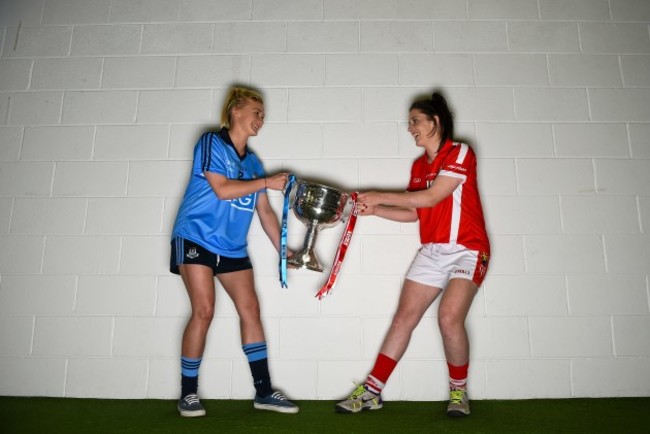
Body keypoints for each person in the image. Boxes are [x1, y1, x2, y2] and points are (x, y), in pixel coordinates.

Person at [335, 92, 490, 417]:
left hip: (468, 249)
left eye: (415, 121)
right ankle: (372, 391)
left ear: (435, 121)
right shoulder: (419, 165)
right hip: (433, 251)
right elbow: (415, 212)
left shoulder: (459, 152)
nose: (410, 128)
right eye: (410, 123)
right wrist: (375, 210)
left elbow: (432, 197)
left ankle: (459, 393)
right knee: (403, 318)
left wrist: (377, 194)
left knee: (449, 317)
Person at [170, 86, 298, 417]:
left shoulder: (254, 163)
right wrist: (267, 183)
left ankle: (264, 391)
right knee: (204, 310)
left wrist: (284, 251)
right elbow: (223, 189)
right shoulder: (211, 142)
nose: (261, 119)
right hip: (196, 236)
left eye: (263, 115)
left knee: (251, 309)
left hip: (231, 247)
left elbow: (265, 213)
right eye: (257, 112)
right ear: (236, 112)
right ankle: (188, 394)